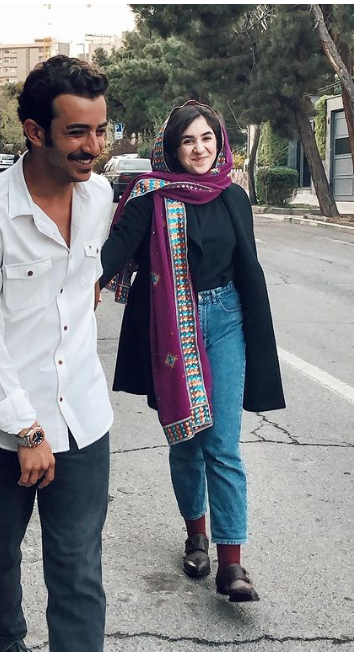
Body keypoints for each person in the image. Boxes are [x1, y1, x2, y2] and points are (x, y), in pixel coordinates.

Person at [0, 56, 114, 652]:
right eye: (77, 132)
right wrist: (26, 429)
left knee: (79, 569)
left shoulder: (99, 198)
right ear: (34, 132)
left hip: (83, 422)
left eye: (100, 130)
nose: (93, 147)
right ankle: (7, 639)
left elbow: (82, 283)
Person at [99, 101, 285, 603]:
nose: (199, 149)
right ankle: (196, 536)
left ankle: (231, 564)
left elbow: (247, 267)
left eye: (207, 138)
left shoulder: (233, 196)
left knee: (222, 444)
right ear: (172, 148)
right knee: (186, 440)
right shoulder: (152, 196)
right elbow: (116, 249)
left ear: (219, 142)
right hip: (171, 326)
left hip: (226, 320)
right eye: (188, 141)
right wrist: (76, 282)